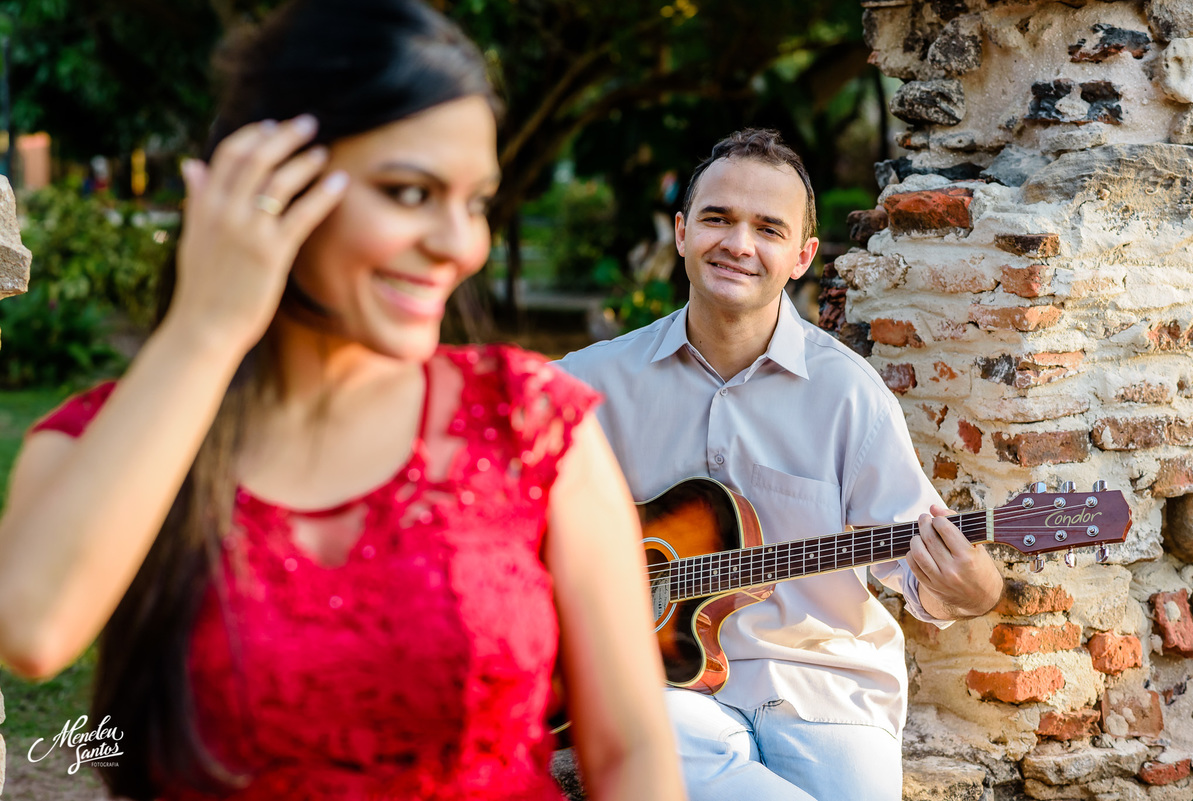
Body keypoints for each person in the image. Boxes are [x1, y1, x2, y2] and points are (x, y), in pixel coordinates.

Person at [0, 2, 684, 799]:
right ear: (270, 178)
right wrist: (206, 326)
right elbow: (32, 626)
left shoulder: (529, 424)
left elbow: (632, 753)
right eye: (408, 191)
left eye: (475, 202)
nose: (461, 246)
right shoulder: (110, 441)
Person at [557, 128, 1003, 801]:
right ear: (682, 234)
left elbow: (921, 573)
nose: (738, 243)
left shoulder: (849, 394)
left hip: (824, 688)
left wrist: (973, 587)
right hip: (660, 685)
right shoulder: (590, 383)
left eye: (768, 228)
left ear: (802, 256)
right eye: (717, 218)